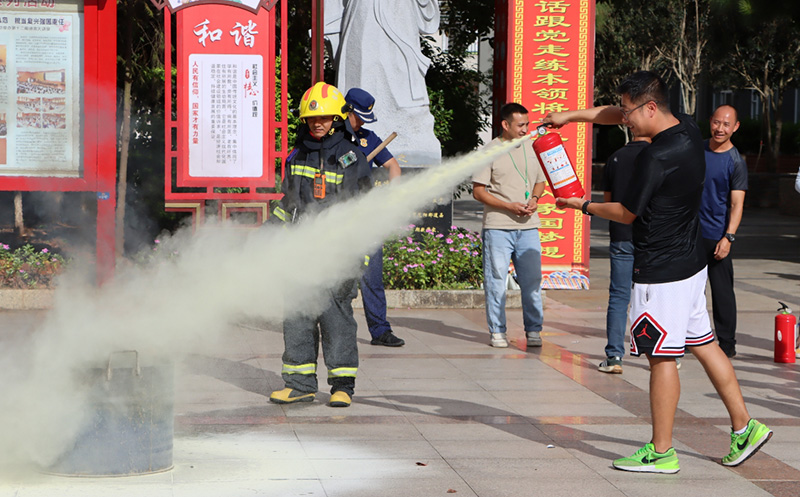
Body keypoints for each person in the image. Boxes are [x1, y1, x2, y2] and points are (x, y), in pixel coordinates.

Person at [544, 71, 772, 473]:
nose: (625, 119)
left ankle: (662, 451)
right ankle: (745, 427)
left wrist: (579, 205)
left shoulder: (655, 156)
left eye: (630, 111)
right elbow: (618, 113)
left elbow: (626, 212)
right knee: (706, 345)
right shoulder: (686, 128)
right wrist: (571, 116)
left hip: (661, 273)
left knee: (661, 359)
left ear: (650, 107)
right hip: (690, 265)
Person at [269, 82, 372, 408]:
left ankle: (342, 385)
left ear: (337, 119)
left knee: (336, 320)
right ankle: (299, 384)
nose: (318, 123)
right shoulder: (297, 155)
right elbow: (287, 204)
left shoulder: (351, 157)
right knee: (297, 317)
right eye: (313, 119)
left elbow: (365, 211)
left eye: (325, 118)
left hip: (338, 255)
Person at [472, 102, 547, 349]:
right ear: (505, 125)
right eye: (521, 125)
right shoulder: (490, 151)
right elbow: (478, 192)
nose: (526, 129)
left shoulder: (531, 146)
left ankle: (534, 330)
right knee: (495, 281)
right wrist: (508, 206)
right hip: (498, 226)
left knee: (532, 281)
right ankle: (497, 331)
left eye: (527, 123)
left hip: (528, 226)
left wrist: (534, 200)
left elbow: (540, 182)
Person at [343, 87, 405, 347]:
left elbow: (393, 167)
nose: (361, 124)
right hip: (339, 220)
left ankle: (380, 331)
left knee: (372, 276)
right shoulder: (336, 140)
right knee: (339, 279)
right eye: (358, 117)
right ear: (347, 111)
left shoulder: (370, 138)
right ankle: (337, 329)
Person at [598, 135, 650, 374]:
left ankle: (615, 356)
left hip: (621, 234)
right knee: (654, 296)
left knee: (619, 297)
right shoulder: (658, 156)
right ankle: (668, 353)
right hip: (651, 237)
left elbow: (608, 204)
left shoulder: (614, 158)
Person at [700, 105, 747, 358]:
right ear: (710, 121)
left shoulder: (735, 161)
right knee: (687, 290)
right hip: (690, 234)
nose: (720, 128)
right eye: (716, 122)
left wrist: (728, 237)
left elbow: (737, 203)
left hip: (717, 235)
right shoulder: (697, 150)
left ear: (735, 127)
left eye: (726, 124)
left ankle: (727, 343)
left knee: (722, 292)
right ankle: (686, 337)